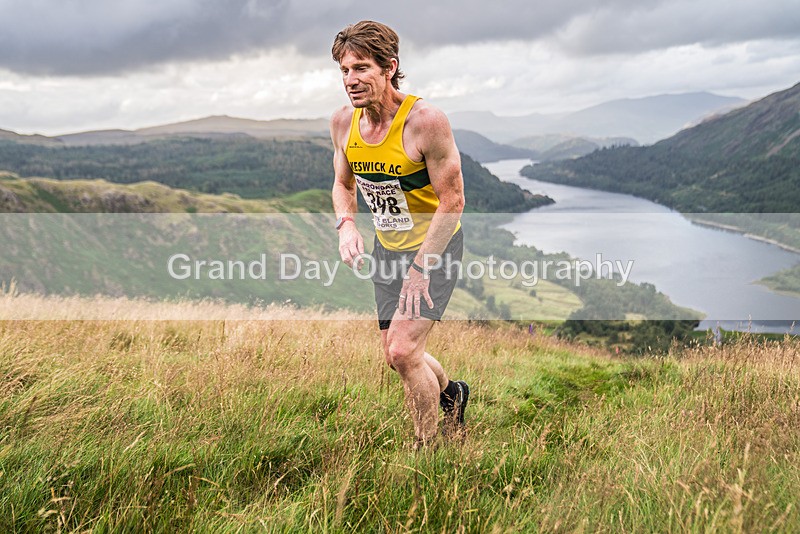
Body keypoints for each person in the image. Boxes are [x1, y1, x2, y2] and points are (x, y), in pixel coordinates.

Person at [330, 20, 469, 448]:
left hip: (435, 250)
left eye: (361, 69)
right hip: (386, 250)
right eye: (344, 70)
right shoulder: (343, 124)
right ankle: (453, 395)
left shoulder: (425, 121)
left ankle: (427, 449)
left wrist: (421, 268)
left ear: (389, 68)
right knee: (399, 356)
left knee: (402, 351)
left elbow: (453, 200)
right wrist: (347, 224)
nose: (351, 80)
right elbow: (343, 185)